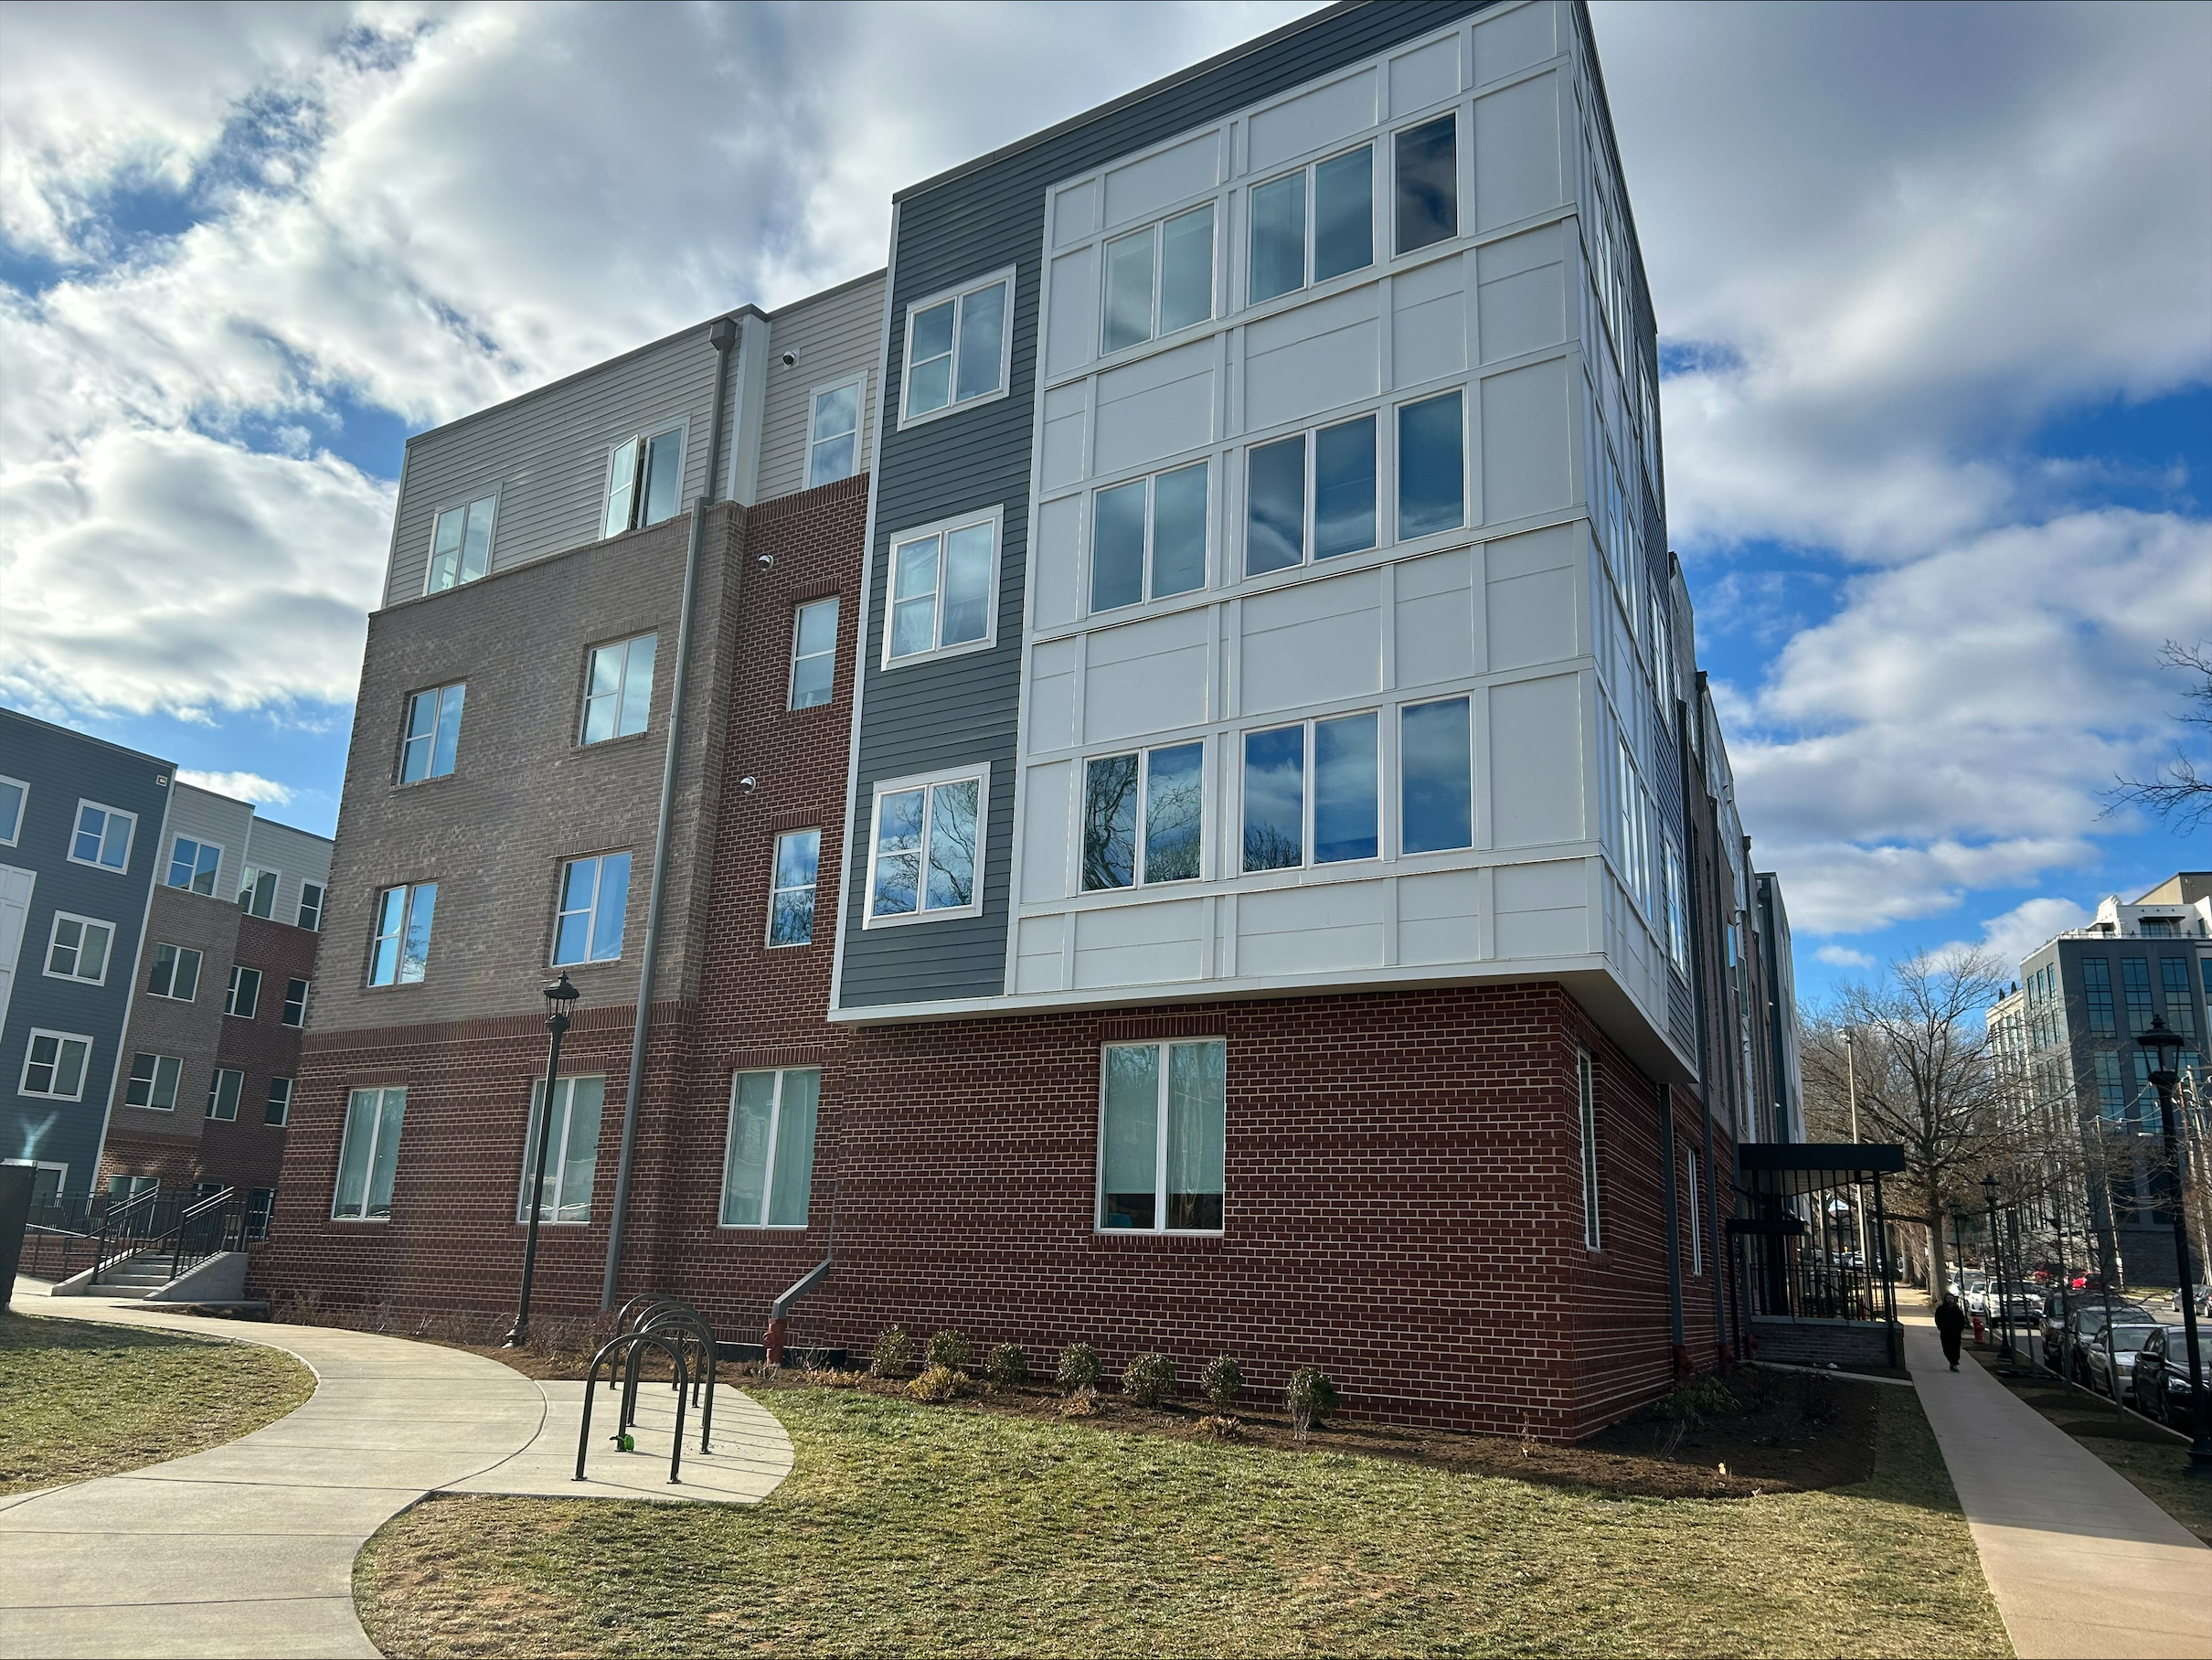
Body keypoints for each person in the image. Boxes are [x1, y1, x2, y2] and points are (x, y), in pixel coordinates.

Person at [1935, 1293, 1967, 1371]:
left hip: (1956, 1333)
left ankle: (1954, 1363)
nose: (1950, 1300)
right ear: (1945, 1299)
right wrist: (1940, 1327)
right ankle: (1951, 1361)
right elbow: (1937, 1319)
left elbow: (1962, 1321)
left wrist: (1960, 1329)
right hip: (1945, 1332)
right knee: (1947, 1348)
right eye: (1948, 1298)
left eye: (1951, 1299)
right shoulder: (1941, 1309)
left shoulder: (1958, 1311)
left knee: (1955, 1348)